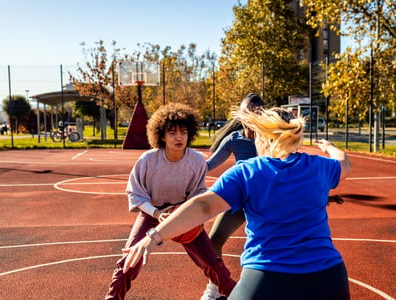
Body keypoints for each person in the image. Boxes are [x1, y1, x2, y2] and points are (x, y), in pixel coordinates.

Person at [123, 106, 353, 299]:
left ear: (263, 136)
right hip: (329, 277)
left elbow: (204, 206)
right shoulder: (321, 167)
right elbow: (346, 166)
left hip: (268, 276)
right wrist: (331, 148)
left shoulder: (248, 171)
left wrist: (154, 236)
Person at [104, 103, 236, 300]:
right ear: (161, 135)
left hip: (183, 213)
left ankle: (238, 295)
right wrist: (157, 213)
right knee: (129, 261)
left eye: (183, 132)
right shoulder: (148, 160)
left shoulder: (197, 161)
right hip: (152, 214)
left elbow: (199, 193)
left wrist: (183, 211)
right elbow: (135, 194)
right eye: (172, 132)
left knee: (212, 264)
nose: (179, 137)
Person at [202, 93, 263, 299]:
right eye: (249, 110)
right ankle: (217, 287)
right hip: (240, 198)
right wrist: (183, 164)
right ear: (241, 114)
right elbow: (209, 165)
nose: (253, 114)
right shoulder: (234, 140)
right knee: (213, 242)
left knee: (269, 244)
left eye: (258, 110)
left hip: (265, 200)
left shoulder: (269, 138)